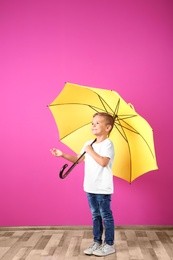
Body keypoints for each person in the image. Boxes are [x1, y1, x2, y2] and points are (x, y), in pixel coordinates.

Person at [50, 112, 115, 257]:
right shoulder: (89, 143)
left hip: (103, 188)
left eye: (98, 123)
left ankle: (109, 244)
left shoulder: (108, 144)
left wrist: (90, 151)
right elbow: (78, 159)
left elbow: (104, 162)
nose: (93, 125)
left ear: (108, 127)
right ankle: (97, 242)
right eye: (92, 123)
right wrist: (63, 155)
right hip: (90, 186)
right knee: (95, 215)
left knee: (106, 215)